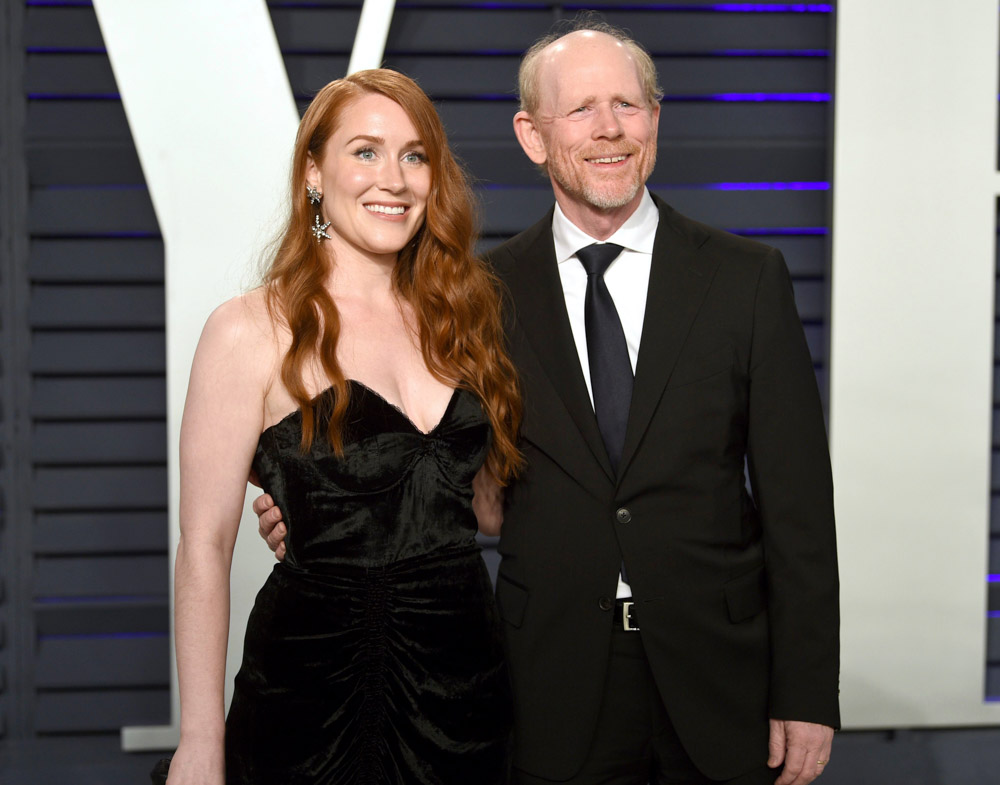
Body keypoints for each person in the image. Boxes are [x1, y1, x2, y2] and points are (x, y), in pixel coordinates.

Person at [258, 20, 839, 785]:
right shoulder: (475, 298)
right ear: (532, 136)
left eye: (629, 106)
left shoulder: (746, 279)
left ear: (655, 121)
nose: (610, 130)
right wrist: (329, 506)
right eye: (582, 111)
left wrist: (807, 692)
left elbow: (800, 507)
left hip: (721, 678)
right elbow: (451, 471)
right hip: (551, 685)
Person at [168, 68, 522, 785]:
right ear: (313, 173)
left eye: (415, 155)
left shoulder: (465, 319)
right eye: (365, 151)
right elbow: (203, 547)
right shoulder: (248, 331)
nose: (394, 178)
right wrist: (200, 740)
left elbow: (486, 511)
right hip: (313, 699)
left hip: (466, 696)